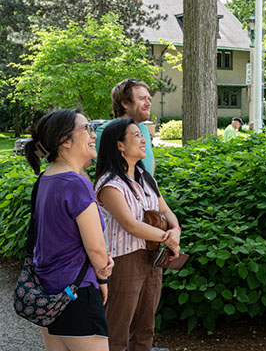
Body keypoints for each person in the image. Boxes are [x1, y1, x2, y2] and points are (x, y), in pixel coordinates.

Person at [23, 109, 114, 351]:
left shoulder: (45, 179)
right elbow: (96, 247)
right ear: (64, 141)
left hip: (48, 294)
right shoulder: (75, 183)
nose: (93, 135)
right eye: (86, 129)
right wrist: (103, 276)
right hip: (76, 293)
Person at [94, 119, 181, 351]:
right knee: (117, 327)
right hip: (125, 261)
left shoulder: (146, 178)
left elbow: (165, 210)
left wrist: (176, 231)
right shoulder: (109, 184)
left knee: (146, 325)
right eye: (136, 135)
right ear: (120, 145)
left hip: (152, 259)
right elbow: (130, 224)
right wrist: (166, 237)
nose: (144, 139)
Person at [95, 79, 155, 175]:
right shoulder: (106, 131)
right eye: (142, 98)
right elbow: (80, 167)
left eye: (149, 99)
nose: (148, 103)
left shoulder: (143, 129)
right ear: (125, 103)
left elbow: (150, 163)